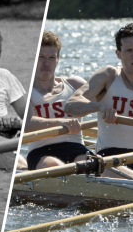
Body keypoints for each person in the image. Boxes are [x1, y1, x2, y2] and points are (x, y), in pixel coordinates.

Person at [65, 22, 133, 182]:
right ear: (118, 54)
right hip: (109, 157)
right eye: (129, 51)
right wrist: (99, 106)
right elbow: (71, 105)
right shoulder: (109, 76)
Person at [23, 31, 88, 170]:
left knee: (89, 166)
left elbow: (105, 99)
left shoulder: (75, 84)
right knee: (57, 168)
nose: (46, 63)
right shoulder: (26, 91)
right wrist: (61, 121)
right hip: (42, 152)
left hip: (76, 147)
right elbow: (27, 123)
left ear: (57, 60)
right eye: (41, 57)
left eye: (51, 57)